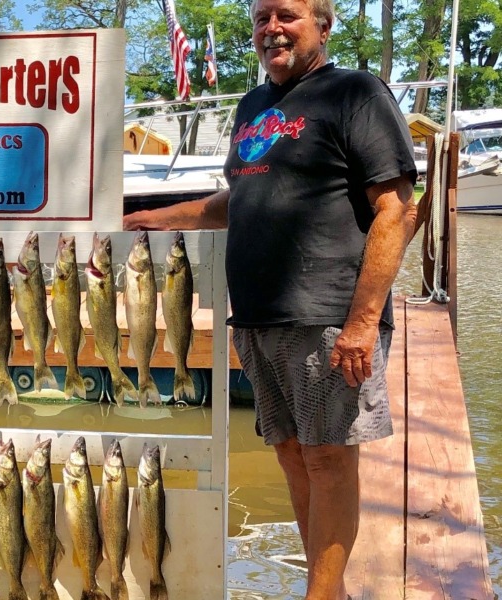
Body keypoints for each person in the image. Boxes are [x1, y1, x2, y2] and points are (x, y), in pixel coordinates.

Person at [124, 0, 418, 598]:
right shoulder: (253, 106)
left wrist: (363, 322)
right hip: (257, 316)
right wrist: (154, 216)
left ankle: (322, 594)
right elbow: (234, 202)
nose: (270, 30)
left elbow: (396, 209)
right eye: (261, 19)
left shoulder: (355, 93)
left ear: (323, 25)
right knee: (290, 453)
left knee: (328, 458)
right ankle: (326, 587)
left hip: (328, 315)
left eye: (285, 15)